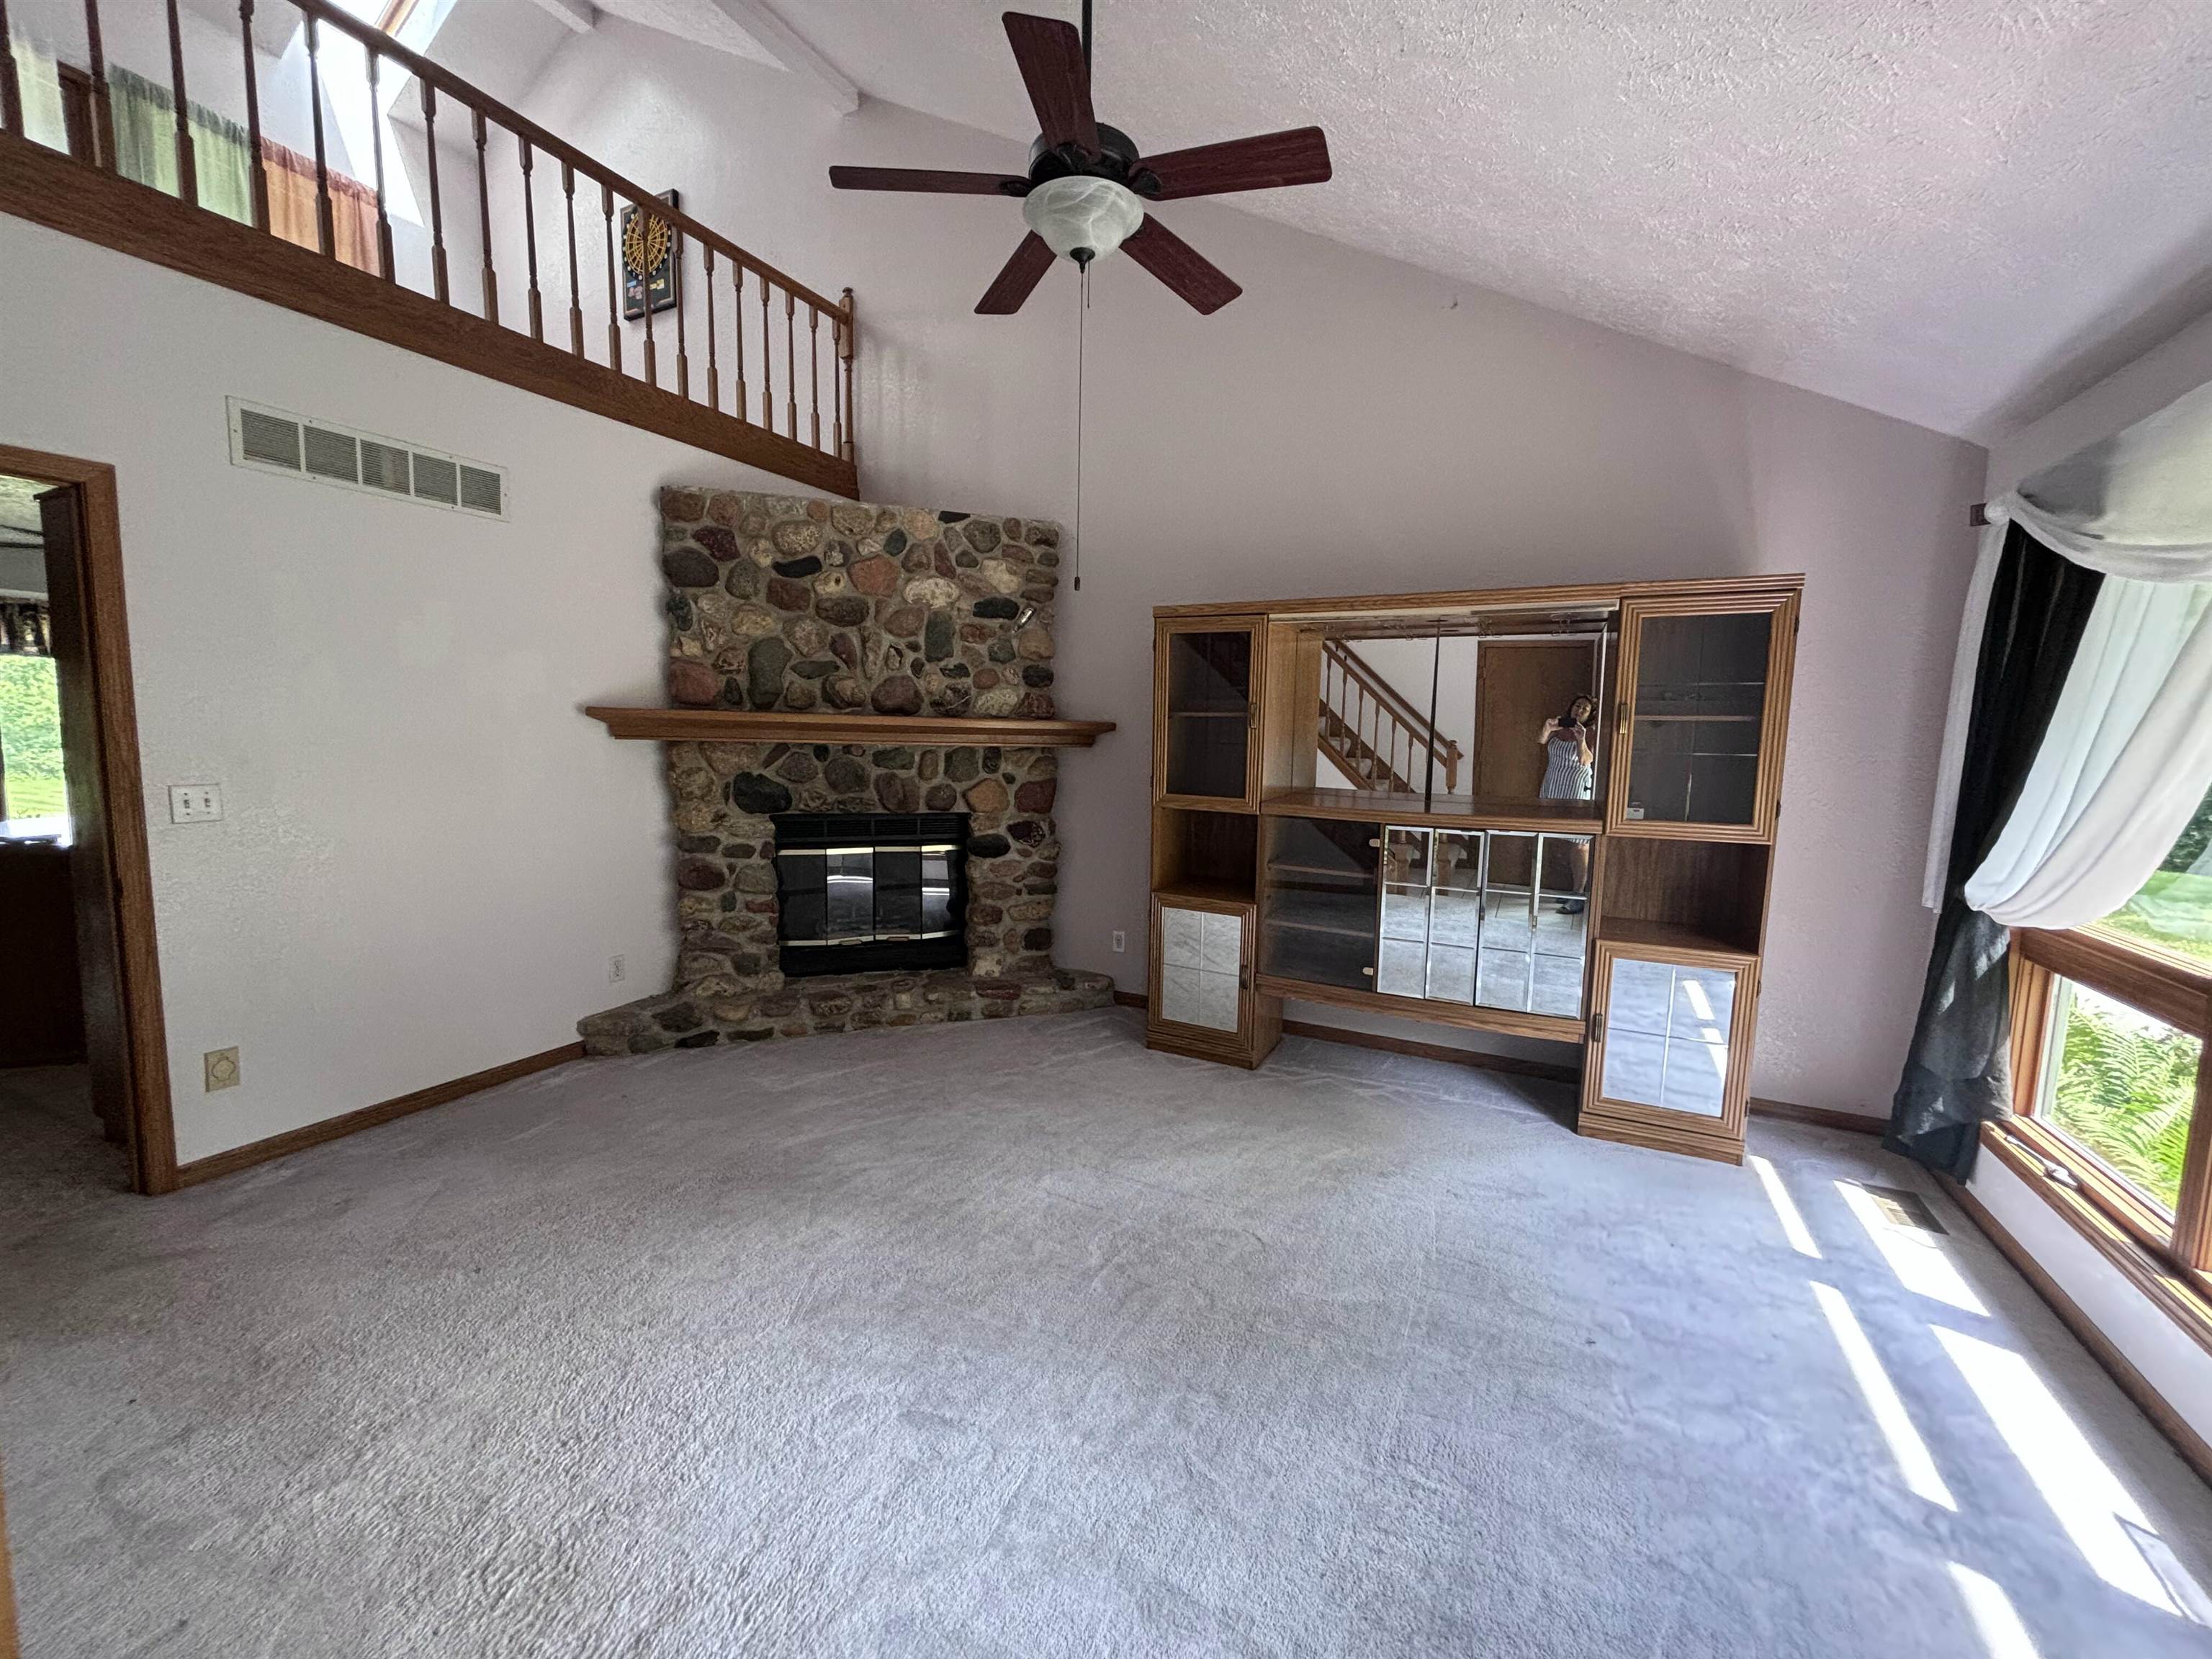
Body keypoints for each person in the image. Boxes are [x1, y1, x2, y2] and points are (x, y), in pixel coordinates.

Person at [1538, 696, 1596, 914]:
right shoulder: (1559, 727)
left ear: (1590, 714)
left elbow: (1586, 760)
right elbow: (1541, 741)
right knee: (1557, 839)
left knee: (1580, 843)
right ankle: (1569, 891)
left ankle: (1579, 894)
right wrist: (1548, 727)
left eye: (1585, 709)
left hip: (1577, 790)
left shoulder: (1590, 733)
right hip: (1554, 786)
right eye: (1577, 706)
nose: (1579, 710)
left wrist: (1581, 740)